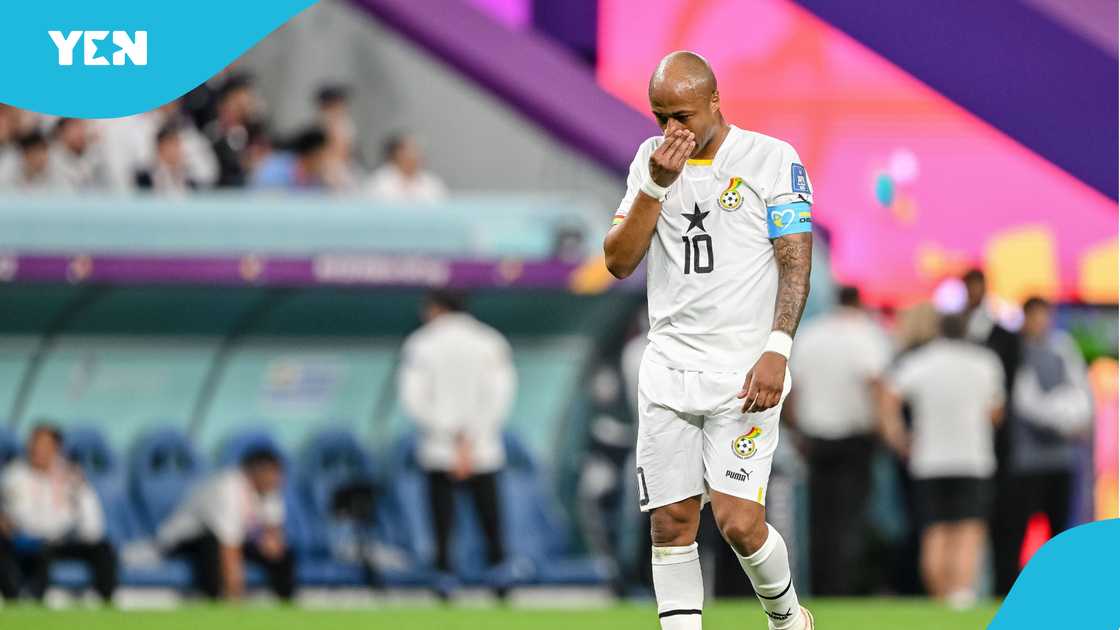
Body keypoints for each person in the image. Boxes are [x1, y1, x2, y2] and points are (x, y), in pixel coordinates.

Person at [603, 51, 816, 629]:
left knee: (739, 523)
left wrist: (778, 348)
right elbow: (619, 261)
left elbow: (795, 263)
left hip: (746, 370)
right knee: (670, 521)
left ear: (715, 102)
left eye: (683, 115)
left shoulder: (772, 159)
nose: (672, 129)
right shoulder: (649, 163)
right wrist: (656, 185)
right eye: (660, 116)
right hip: (670, 370)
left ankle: (787, 617)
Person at [880, 314, 1004, 609]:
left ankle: (939, 600)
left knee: (935, 531)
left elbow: (888, 395)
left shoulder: (922, 361)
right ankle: (960, 596)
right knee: (968, 530)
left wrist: (898, 436)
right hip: (973, 459)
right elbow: (996, 412)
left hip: (929, 460)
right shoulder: (985, 362)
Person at [398, 290, 516, 576]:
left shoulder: (420, 342)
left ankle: (443, 588)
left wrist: (451, 435)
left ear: (436, 308)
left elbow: (413, 400)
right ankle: (500, 586)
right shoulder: (491, 340)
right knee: (492, 529)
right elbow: (501, 396)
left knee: (442, 532)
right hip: (483, 449)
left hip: (439, 451)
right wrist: (470, 437)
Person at [787, 285, 892, 595]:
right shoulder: (866, 334)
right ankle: (848, 586)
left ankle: (823, 586)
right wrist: (885, 429)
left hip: (815, 439)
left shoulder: (811, 334)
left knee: (820, 518)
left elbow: (794, 389)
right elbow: (875, 384)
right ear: (859, 303)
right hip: (854, 438)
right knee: (851, 517)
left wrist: (796, 431)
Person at [1001, 297, 1093, 583]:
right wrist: (1061, 421)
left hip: (1061, 458)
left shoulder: (1063, 348)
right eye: (1035, 316)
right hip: (1026, 460)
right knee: (1019, 527)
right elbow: (1025, 401)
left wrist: (1074, 419)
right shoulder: (1016, 351)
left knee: (1060, 527)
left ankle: (1060, 582)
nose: (1042, 322)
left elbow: (1081, 395)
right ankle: (1012, 585)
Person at [156, 449, 294, 601]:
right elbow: (228, 546)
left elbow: (274, 533)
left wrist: (272, 544)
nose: (278, 479)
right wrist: (236, 594)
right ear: (256, 471)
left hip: (232, 540)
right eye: (273, 473)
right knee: (211, 548)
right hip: (185, 540)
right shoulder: (227, 488)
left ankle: (286, 604)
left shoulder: (270, 490)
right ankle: (215, 601)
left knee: (285, 556)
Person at [0, 424, 117, 602]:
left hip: (62, 541)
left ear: (56, 449)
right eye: (35, 444)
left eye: (44, 446)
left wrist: (79, 489)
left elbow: (93, 525)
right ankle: (23, 603)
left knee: (103, 549)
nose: (38, 450)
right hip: (28, 541)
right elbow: (22, 519)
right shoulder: (15, 476)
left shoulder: (71, 475)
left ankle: (107, 603)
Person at [365, 133, 447, 202]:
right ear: (396, 154)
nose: (417, 154)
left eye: (417, 149)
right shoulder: (380, 182)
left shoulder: (431, 183)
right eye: (411, 149)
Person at [251, 126, 330, 191]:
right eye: (323, 156)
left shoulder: (319, 178)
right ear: (312, 154)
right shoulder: (274, 171)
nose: (326, 160)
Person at [135, 122, 199, 195]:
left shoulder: (189, 176)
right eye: (171, 145)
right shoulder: (145, 177)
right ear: (160, 147)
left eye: (177, 145)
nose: (176, 150)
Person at [50, 118, 109, 190]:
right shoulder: (53, 160)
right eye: (74, 128)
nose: (80, 132)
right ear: (61, 133)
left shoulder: (95, 152)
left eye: (82, 127)